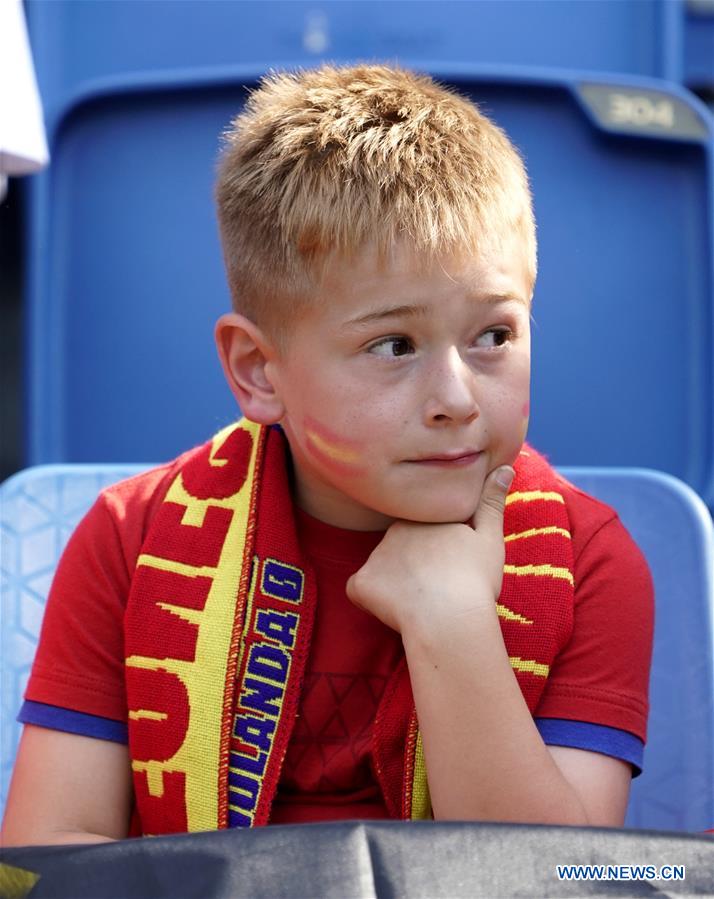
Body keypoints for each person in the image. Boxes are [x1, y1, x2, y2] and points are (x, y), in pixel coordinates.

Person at [1, 64, 653, 845]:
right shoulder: (129, 541)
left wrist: (452, 626)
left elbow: (567, 883)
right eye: (393, 344)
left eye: (495, 335)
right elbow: (47, 862)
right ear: (258, 371)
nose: (458, 397)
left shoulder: (589, 563)